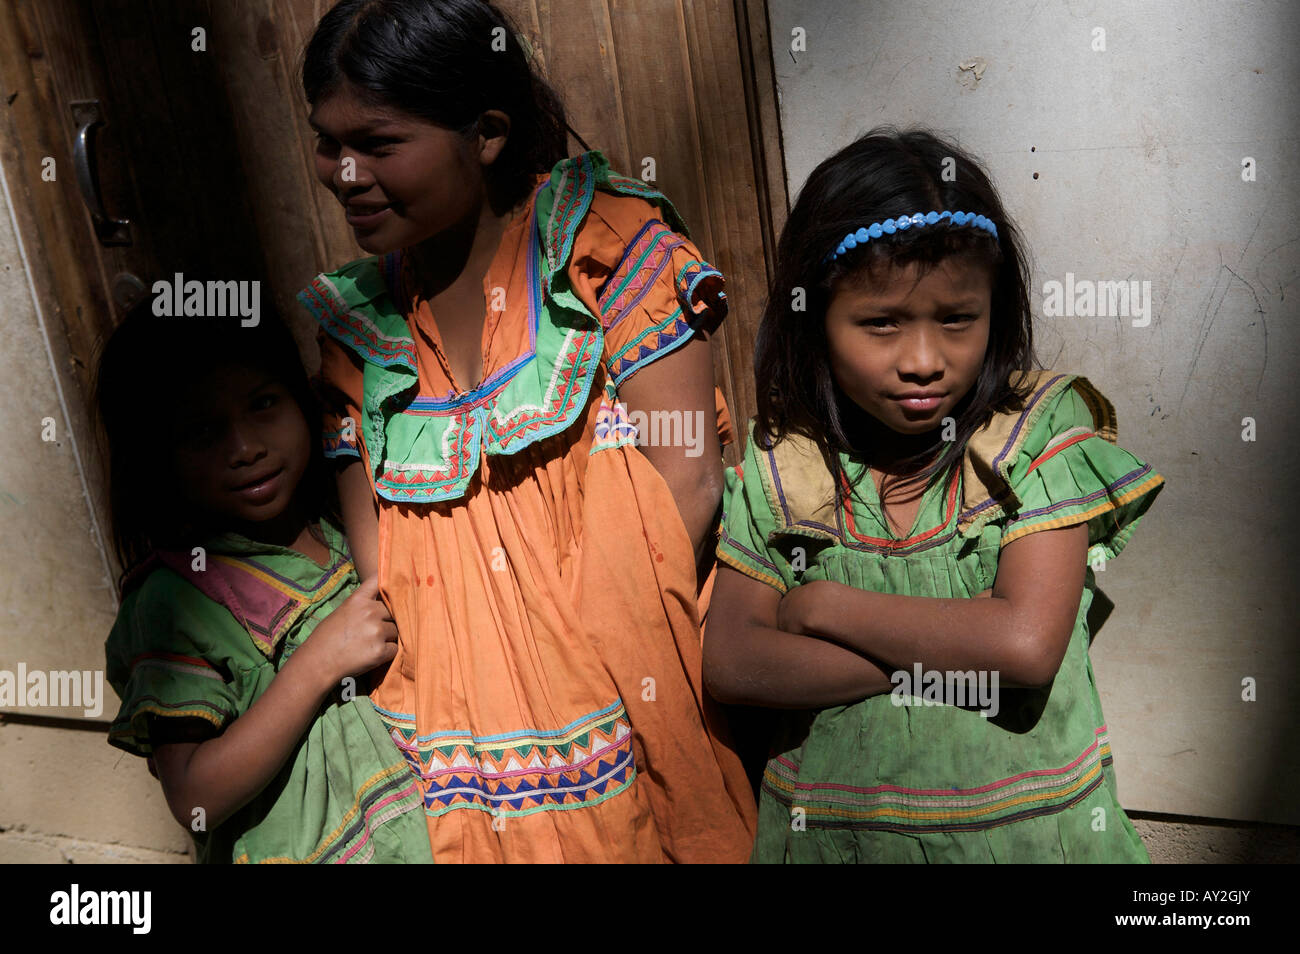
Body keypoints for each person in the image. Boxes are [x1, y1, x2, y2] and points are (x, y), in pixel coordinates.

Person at [297, 0, 755, 862]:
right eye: (328, 141)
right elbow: (384, 564)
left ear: (489, 134)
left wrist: (571, 680)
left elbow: (686, 488)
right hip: (453, 735)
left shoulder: (608, 255)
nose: (346, 172)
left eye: (380, 142)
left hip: (623, 693)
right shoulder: (359, 332)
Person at [704, 127, 1166, 863]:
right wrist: (947, 650)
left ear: (996, 309)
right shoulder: (786, 466)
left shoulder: (1034, 438)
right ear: (815, 322)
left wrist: (825, 610)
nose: (923, 361)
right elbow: (733, 662)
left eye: (957, 319)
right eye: (880, 323)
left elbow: (1022, 646)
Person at [98, 302, 433, 863]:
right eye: (203, 432)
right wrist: (320, 661)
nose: (245, 448)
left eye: (263, 404)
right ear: (156, 456)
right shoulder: (176, 599)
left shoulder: (337, 523)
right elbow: (194, 794)